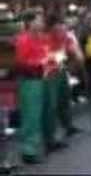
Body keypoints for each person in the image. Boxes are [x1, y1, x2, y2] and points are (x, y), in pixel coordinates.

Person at [15, 11, 63, 164]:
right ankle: (29, 151)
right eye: (39, 20)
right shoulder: (23, 39)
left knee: (49, 110)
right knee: (32, 115)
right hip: (31, 81)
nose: (42, 22)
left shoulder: (43, 38)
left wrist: (54, 60)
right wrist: (41, 61)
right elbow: (22, 62)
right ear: (30, 23)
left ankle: (50, 140)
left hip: (46, 77)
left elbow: (49, 53)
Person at [45, 14, 83, 138]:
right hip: (49, 74)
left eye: (62, 27)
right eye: (58, 27)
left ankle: (68, 125)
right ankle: (50, 135)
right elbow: (48, 56)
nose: (61, 30)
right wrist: (62, 56)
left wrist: (77, 55)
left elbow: (72, 50)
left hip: (61, 71)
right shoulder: (46, 39)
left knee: (64, 99)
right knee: (51, 104)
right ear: (51, 28)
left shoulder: (65, 36)